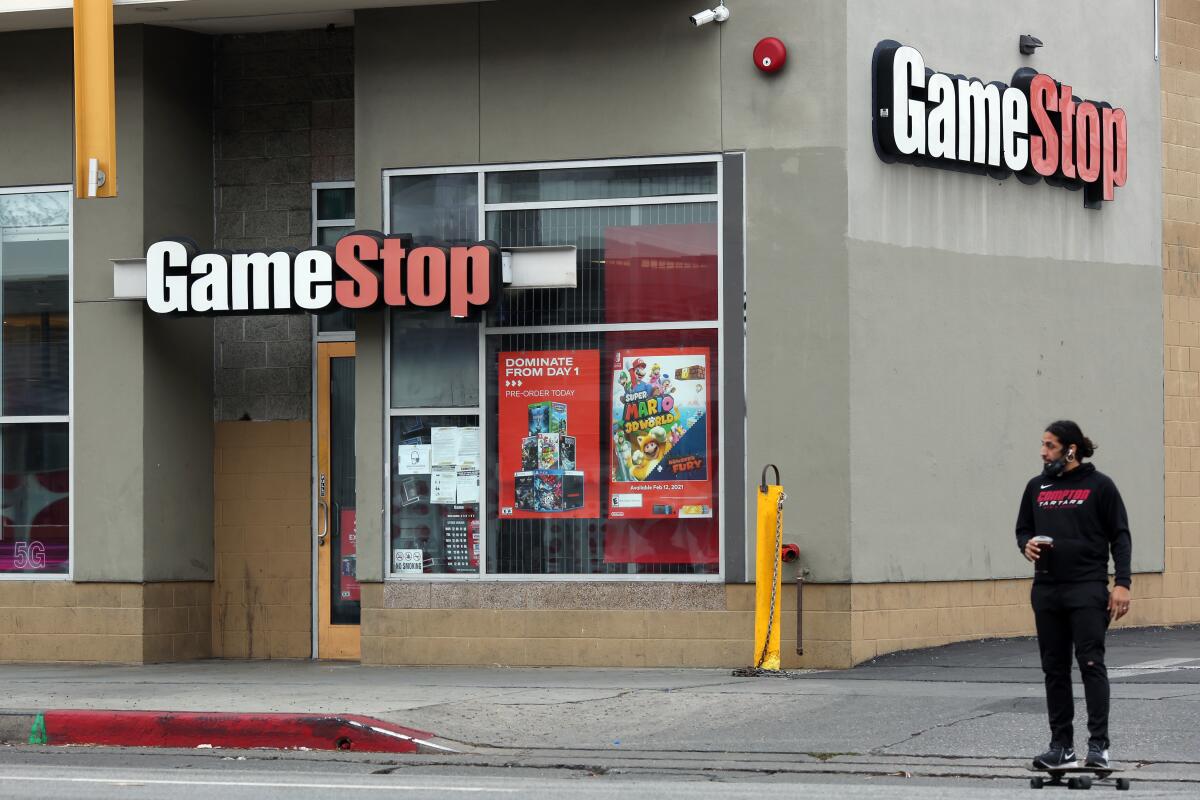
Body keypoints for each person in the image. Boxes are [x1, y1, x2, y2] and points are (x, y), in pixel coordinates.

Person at [1015, 420, 1132, 771]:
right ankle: (1061, 746)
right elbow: (1023, 527)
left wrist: (1122, 584)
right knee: (1054, 669)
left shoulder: (1100, 486)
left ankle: (1098, 747)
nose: (1042, 451)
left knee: (1091, 664)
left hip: (1087, 588)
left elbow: (1120, 536)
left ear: (1071, 449)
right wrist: (1027, 545)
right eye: (1042, 444)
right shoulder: (1037, 486)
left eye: (1049, 445)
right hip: (1047, 589)